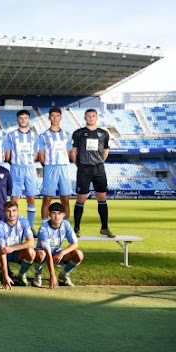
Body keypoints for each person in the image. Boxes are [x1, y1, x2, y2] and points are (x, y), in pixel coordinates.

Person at [70, 108, 114, 238]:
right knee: (81, 199)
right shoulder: (79, 133)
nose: (91, 118)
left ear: (96, 117)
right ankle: (77, 228)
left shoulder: (103, 133)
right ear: (85, 118)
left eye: (93, 116)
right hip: (84, 169)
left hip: (99, 169)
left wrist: (100, 162)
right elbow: (73, 152)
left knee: (102, 198)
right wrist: (79, 165)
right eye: (88, 116)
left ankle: (104, 228)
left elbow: (106, 150)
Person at [3, 110, 39, 234]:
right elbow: (7, 155)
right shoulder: (11, 135)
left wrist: (27, 162)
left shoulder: (35, 135)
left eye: (26, 117)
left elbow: (35, 154)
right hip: (16, 168)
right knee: (14, 199)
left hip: (30, 168)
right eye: (21, 118)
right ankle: (13, 226)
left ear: (29, 119)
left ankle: (30, 227)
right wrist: (14, 163)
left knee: (31, 198)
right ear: (18, 120)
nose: (23, 120)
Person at [33, 202, 84, 288]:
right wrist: (52, 276)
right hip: (44, 254)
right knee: (40, 254)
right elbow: (48, 253)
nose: (57, 216)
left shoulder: (66, 224)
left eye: (59, 213)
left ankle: (64, 274)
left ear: (64, 215)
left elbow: (75, 244)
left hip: (57, 253)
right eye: (53, 213)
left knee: (79, 254)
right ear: (49, 214)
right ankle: (38, 274)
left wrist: (62, 253)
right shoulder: (43, 228)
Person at [37, 107, 72, 225]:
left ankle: (65, 225)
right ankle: (43, 225)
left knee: (65, 199)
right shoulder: (43, 136)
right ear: (49, 117)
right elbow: (41, 156)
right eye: (53, 115)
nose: (55, 118)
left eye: (57, 115)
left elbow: (69, 153)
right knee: (47, 199)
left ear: (61, 118)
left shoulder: (67, 135)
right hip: (50, 168)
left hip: (63, 168)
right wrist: (48, 166)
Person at [0, 201, 35, 290]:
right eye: (8, 211)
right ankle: (0, 272)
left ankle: (21, 275)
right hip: (1, 252)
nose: (11, 214)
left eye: (14, 211)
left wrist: (12, 248)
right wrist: (5, 276)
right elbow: (2, 251)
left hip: (15, 251)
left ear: (18, 211)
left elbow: (31, 242)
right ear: (4, 212)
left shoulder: (24, 221)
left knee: (31, 252)